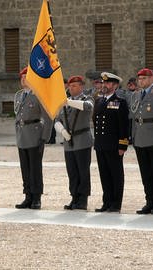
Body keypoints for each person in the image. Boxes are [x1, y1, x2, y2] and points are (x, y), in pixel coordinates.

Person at [14, 67, 53, 210]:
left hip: (35, 134)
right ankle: (28, 196)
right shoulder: (19, 96)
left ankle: (36, 197)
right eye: (22, 77)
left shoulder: (38, 95)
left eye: (26, 77)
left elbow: (48, 117)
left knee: (35, 168)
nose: (23, 80)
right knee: (25, 168)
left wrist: (45, 137)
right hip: (22, 136)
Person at [54, 76, 94, 210]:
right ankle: (74, 197)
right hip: (69, 142)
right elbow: (57, 119)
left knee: (83, 171)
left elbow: (88, 107)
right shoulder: (65, 102)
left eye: (75, 86)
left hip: (82, 140)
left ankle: (83, 199)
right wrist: (62, 131)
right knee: (72, 171)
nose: (71, 88)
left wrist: (68, 102)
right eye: (70, 86)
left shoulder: (86, 98)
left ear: (81, 86)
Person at [131, 68, 153, 215]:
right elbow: (134, 117)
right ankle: (149, 201)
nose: (141, 81)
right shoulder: (136, 94)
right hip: (140, 137)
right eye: (139, 79)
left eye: (144, 78)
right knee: (145, 172)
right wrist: (133, 136)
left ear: (152, 78)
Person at [93, 72, 129, 213]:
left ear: (115, 85)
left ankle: (116, 203)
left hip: (114, 145)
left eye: (107, 83)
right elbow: (96, 123)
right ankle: (106, 202)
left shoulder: (120, 102)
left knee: (116, 174)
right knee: (104, 174)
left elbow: (123, 126)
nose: (104, 85)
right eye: (103, 83)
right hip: (101, 144)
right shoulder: (99, 101)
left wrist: (122, 144)